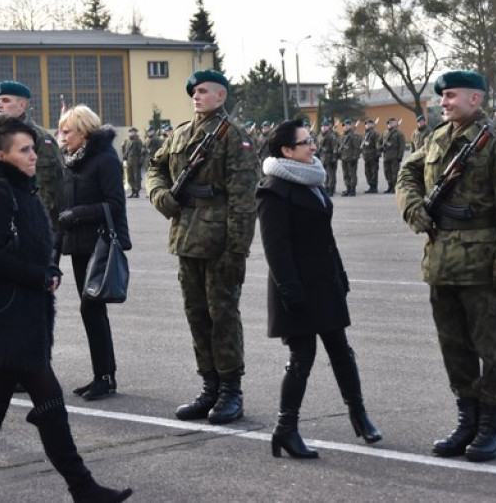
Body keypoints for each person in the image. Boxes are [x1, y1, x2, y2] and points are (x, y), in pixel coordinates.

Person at [0, 114, 132, 503]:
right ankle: (82, 487)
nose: (33, 155)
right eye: (24, 150)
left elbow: (31, 245)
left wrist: (48, 267)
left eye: (33, 148)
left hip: (22, 316)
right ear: (1, 156)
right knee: (47, 402)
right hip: (7, 318)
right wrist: (37, 275)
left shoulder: (23, 190)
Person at [396, 70, 496, 463]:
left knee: (489, 348)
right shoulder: (437, 137)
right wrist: (413, 208)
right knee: (453, 346)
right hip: (440, 260)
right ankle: (467, 419)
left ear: (476, 99)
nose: (444, 102)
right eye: (443, 97)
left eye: (451, 96)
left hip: (481, 263)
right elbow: (408, 171)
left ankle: (491, 426)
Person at [257, 119, 382, 460]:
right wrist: (291, 291)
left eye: (311, 140)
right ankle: (285, 429)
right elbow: (275, 249)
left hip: (324, 281)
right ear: (286, 150)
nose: (312, 147)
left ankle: (359, 416)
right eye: (304, 143)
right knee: (302, 358)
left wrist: (339, 274)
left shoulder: (311, 179)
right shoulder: (274, 189)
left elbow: (325, 238)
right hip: (295, 287)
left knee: (341, 350)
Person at [147, 69, 260, 425]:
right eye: (193, 91)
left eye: (203, 91)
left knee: (222, 314)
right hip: (186, 237)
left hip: (220, 241)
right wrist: (160, 195)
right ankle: (209, 387)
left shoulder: (234, 136)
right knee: (196, 315)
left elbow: (244, 199)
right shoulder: (181, 133)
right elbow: (155, 167)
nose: (196, 96)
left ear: (221, 96)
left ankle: (230, 391)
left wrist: (237, 247)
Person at [56, 106, 131, 401]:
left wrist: (77, 214)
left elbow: (114, 204)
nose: (62, 137)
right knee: (91, 310)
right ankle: (103, 375)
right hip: (79, 246)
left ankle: (105, 376)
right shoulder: (73, 161)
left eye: (67, 131)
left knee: (92, 308)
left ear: (84, 132)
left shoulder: (105, 159)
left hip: (100, 245)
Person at [0, 80, 63, 229]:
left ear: (22, 105)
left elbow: (52, 185)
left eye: (5, 100)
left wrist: (35, 217)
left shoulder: (40, 138)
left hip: (31, 223)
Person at [381, 117, 406, 194]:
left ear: (395, 123)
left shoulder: (399, 133)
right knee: (387, 172)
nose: (390, 124)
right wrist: (380, 147)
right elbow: (380, 142)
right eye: (388, 123)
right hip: (386, 156)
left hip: (395, 156)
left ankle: (395, 187)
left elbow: (402, 145)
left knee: (395, 173)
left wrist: (400, 156)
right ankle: (390, 186)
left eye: (392, 123)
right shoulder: (385, 133)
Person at [338, 119, 361, 197]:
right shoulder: (342, 136)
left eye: (347, 125)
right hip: (344, 158)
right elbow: (340, 147)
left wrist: (355, 157)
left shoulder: (353, 136)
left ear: (350, 126)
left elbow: (357, 148)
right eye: (344, 125)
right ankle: (348, 188)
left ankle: (352, 189)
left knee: (352, 174)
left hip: (351, 158)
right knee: (346, 174)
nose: (345, 127)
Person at [120, 126, 144, 198]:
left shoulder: (138, 141)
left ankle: (137, 192)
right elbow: (124, 149)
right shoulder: (126, 141)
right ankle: (133, 190)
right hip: (129, 161)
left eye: (133, 132)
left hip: (136, 160)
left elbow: (142, 152)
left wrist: (141, 161)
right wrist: (124, 157)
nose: (131, 133)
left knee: (136, 176)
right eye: (130, 132)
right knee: (130, 177)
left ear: (135, 133)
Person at [317, 119, 338, 196]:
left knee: (331, 174)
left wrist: (334, 158)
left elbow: (335, 147)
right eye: (322, 126)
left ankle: (331, 189)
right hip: (323, 158)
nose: (323, 127)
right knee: (325, 174)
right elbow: (318, 147)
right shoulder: (319, 136)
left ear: (328, 127)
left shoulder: (332, 136)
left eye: (325, 126)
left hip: (330, 157)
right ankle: (326, 188)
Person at [360, 119, 381, 193]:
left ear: (372, 125)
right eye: (366, 124)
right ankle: (370, 186)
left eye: (369, 124)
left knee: (373, 172)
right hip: (366, 156)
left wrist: (377, 154)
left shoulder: (375, 134)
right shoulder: (364, 134)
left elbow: (378, 144)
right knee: (367, 172)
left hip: (373, 155)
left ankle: (374, 187)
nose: (368, 125)